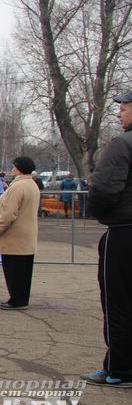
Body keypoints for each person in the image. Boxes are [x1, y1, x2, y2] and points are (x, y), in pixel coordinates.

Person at [82, 90, 132, 387]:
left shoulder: (122, 144)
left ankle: (119, 369)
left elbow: (103, 189)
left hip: (125, 233)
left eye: (124, 107)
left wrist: (99, 213)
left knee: (118, 302)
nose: (119, 113)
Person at [0, 156, 40, 310]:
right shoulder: (32, 184)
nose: (11, 169)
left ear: (19, 168)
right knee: (24, 272)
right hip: (26, 236)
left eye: (14, 166)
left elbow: (8, 214)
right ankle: (21, 298)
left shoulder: (17, 187)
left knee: (14, 271)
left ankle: (16, 300)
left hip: (14, 236)